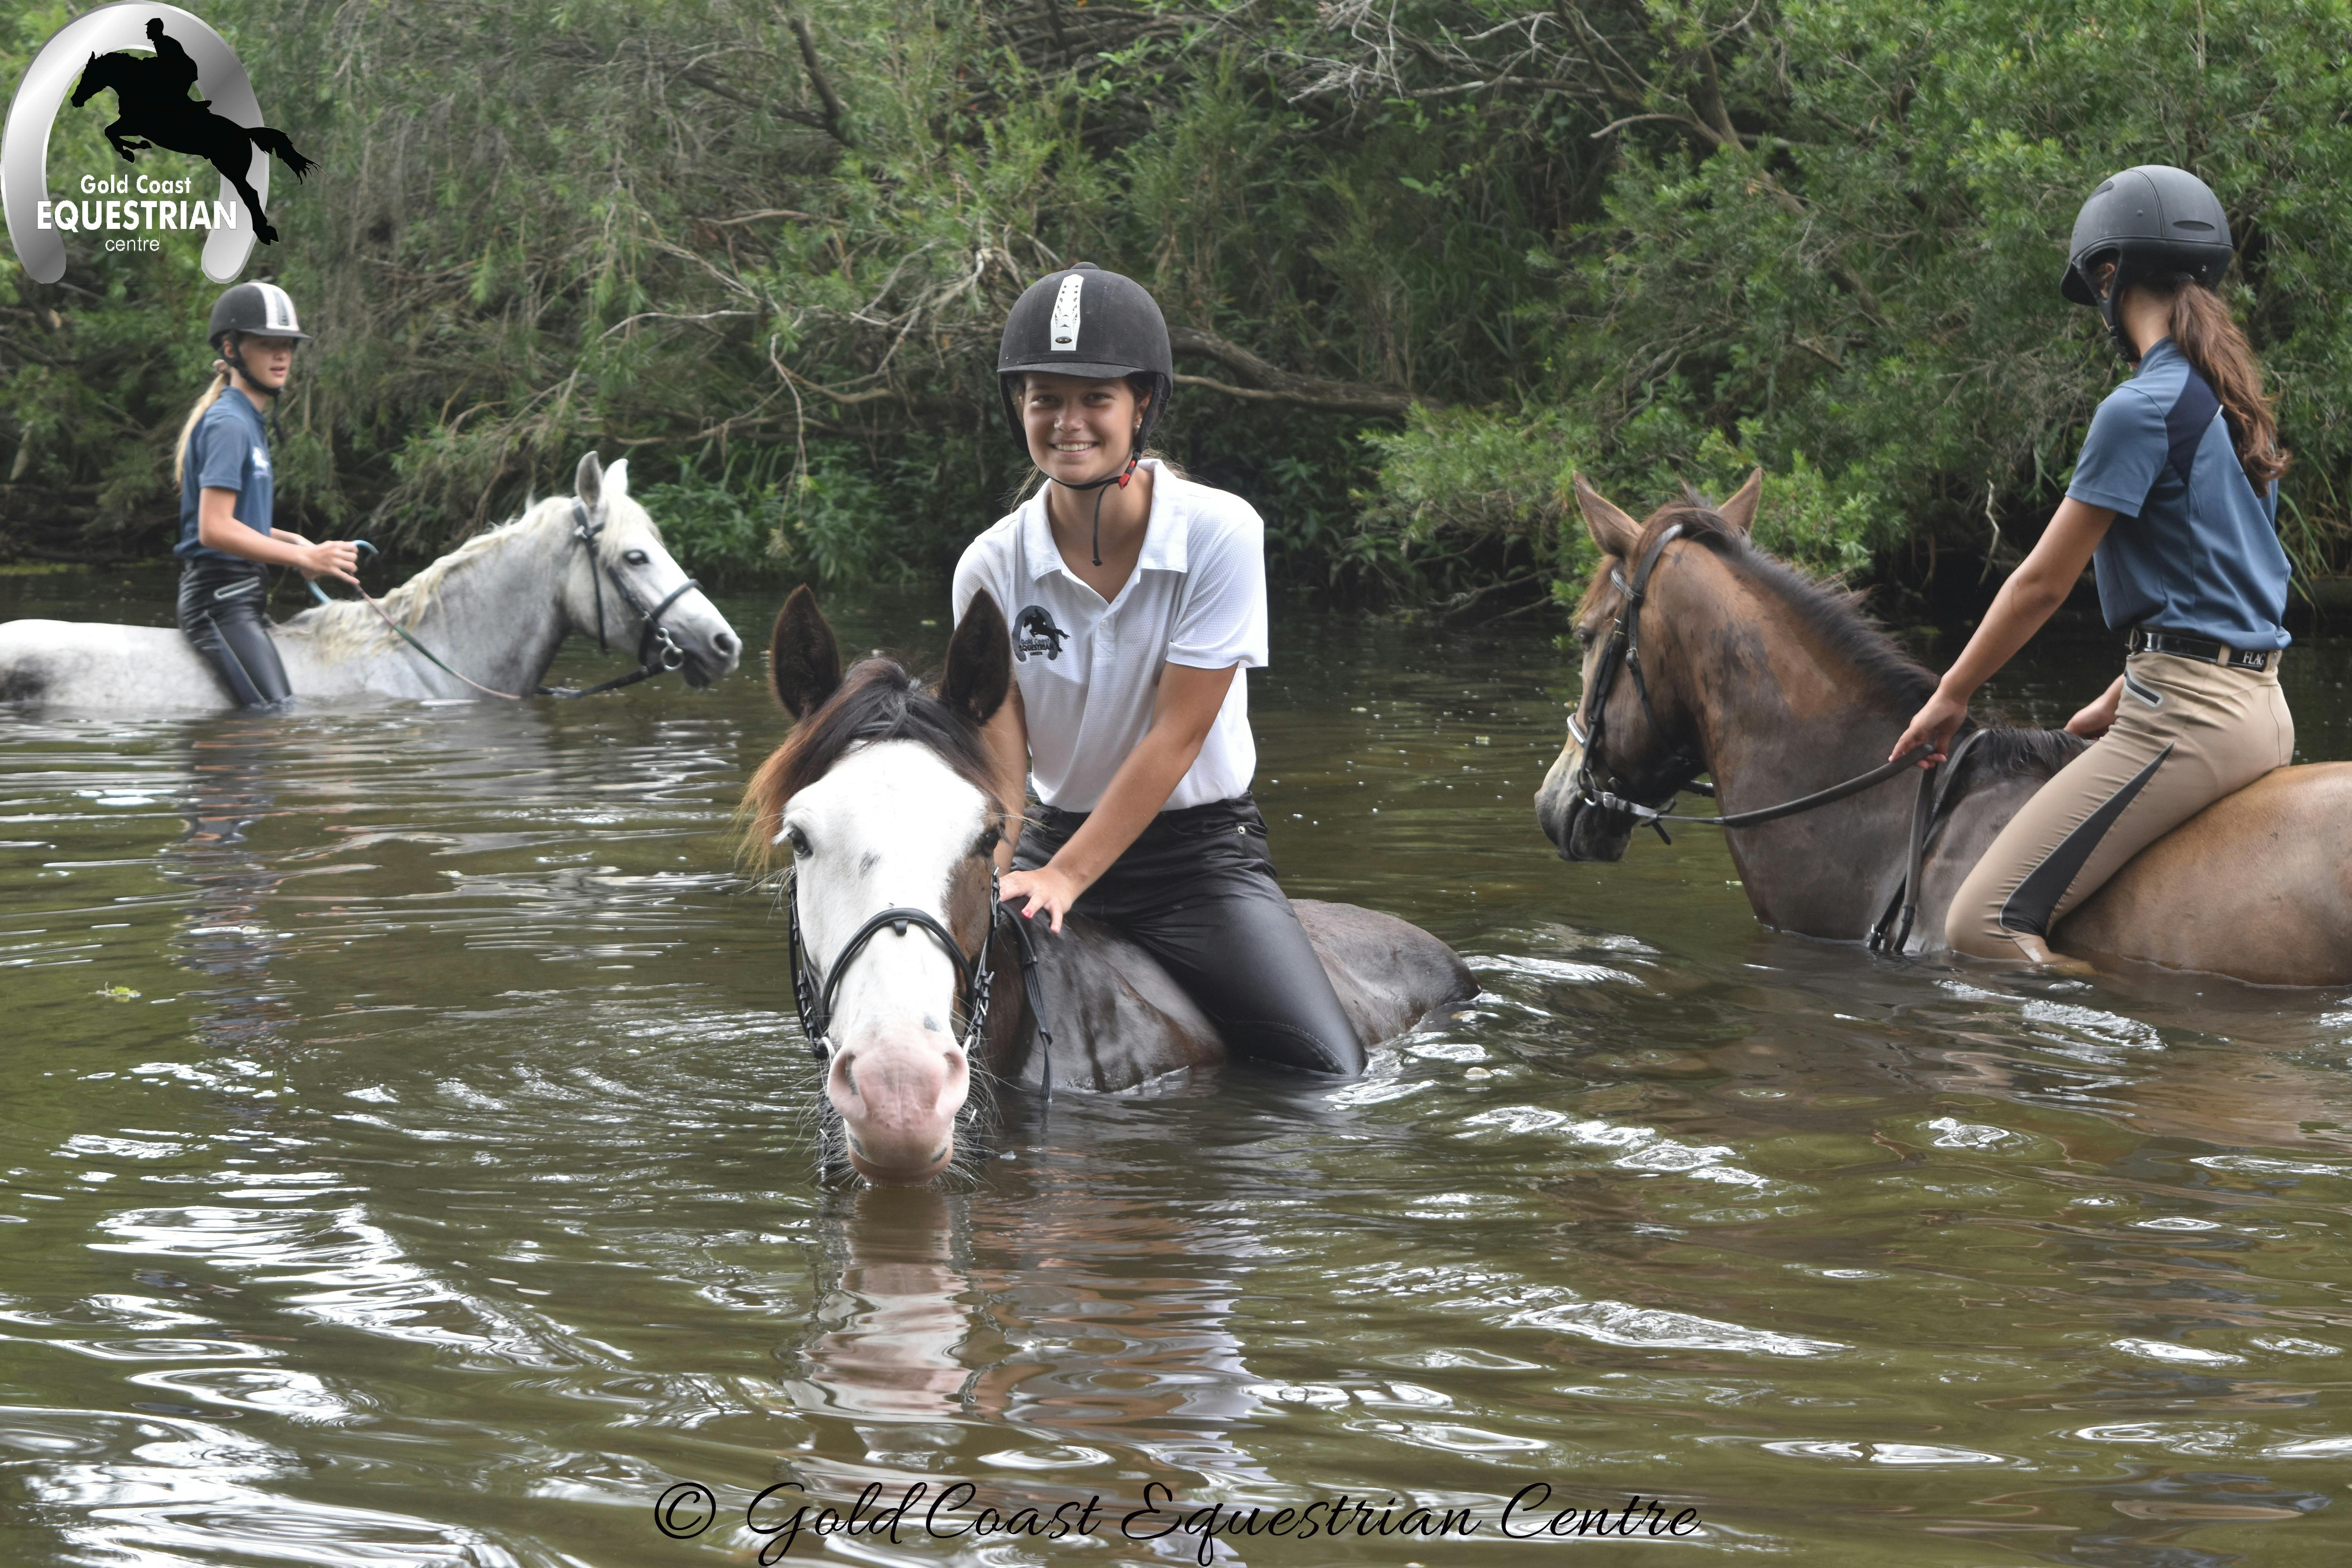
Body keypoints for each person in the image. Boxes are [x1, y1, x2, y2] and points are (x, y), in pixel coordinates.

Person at [951, 262, 1365, 1076]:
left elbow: (1179, 733)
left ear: (1143, 404)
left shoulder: (1219, 532)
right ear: (1018, 409)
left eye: (1094, 398)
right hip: (1050, 840)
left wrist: (1071, 877)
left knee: (1327, 1069)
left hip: (1199, 860)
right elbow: (1001, 764)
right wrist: (984, 887)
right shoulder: (990, 567)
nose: (1068, 421)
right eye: (1045, 399)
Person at [1891, 165, 2296, 965]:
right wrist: (2119, 693)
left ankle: (2100, 1074)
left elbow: (2043, 584)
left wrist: (1950, 694)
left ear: (2109, 277)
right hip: (2266, 706)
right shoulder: (2231, 403)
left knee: (1984, 925)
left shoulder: (2140, 407)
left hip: (2193, 720)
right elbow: (2239, 580)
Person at [172, 281, 356, 708]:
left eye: (288, 346)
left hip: (241, 595)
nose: (281, 355)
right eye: (267, 344)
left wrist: (295, 542)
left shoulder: (248, 422)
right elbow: (215, 529)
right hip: (219, 602)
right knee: (278, 713)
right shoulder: (230, 424)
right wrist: (304, 559)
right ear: (232, 349)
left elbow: (237, 523)